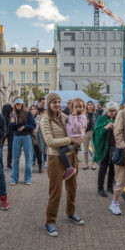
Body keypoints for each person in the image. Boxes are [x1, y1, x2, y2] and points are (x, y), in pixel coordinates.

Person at [41, 93, 84, 236]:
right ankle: (50, 221)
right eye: (54, 102)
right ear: (49, 104)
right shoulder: (45, 119)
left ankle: (71, 213)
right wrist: (71, 139)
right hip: (55, 159)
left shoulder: (64, 117)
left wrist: (81, 134)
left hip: (70, 156)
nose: (57, 105)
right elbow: (50, 142)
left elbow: (76, 126)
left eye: (59, 102)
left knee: (73, 188)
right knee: (56, 192)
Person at [92, 101, 118, 197]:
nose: (112, 113)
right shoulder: (101, 118)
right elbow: (96, 133)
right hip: (105, 147)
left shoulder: (116, 118)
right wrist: (106, 128)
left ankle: (110, 186)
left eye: (114, 111)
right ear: (107, 110)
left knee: (112, 168)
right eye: (111, 111)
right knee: (103, 167)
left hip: (114, 147)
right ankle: (100, 188)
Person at [58, 98, 87, 180]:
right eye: (76, 107)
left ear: (83, 107)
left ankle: (69, 168)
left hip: (75, 140)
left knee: (61, 152)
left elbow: (77, 128)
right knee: (61, 151)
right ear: (72, 108)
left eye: (80, 107)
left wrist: (74, 117)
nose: (78, 109)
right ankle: (68, 167)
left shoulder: (82, 117)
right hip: (71, 138)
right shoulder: (71, 115)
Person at [9, 98, 36, 185]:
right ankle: (14, 178)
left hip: (26, 136)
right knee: (15, 159)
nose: (18, 105)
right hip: (16, 137)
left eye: (19, 104)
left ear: (22, 104)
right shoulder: (13, 114)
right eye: (17, 104)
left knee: (28, 158)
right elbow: (10, 129)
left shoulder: (28, 113)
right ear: (15, 105)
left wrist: (24, 127)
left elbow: (33, 125)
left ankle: (28, 178)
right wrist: (12, 123)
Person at [83, 101, 98, 170]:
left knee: (94, 149)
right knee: (85, 150)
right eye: (88, 105)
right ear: (87, 106)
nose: (90, 106)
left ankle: (93, 164)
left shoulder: (96, 114)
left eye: (91, 105)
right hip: (86, 133)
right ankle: (86, 164)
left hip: (93, 132)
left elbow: (98, 124)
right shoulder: (84, 114)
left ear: (93, 106)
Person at [30, 105, 43, 173]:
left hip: (36, 137)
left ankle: (40, 165)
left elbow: (36, 127)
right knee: (29, 152)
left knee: (38, 151)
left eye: (34, 109)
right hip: (29, 136)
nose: (33, 110)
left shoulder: (38, 117)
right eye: (31, 109)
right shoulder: (28, 117)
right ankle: (30, 165)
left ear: (36, 110)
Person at [2, 103, 14, 170]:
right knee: (2, 146)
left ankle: (8, 164)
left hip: (9, 131)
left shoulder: (16, 109)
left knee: (10, 148)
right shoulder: (6, 107)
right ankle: (6, 164)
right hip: (6, 130)